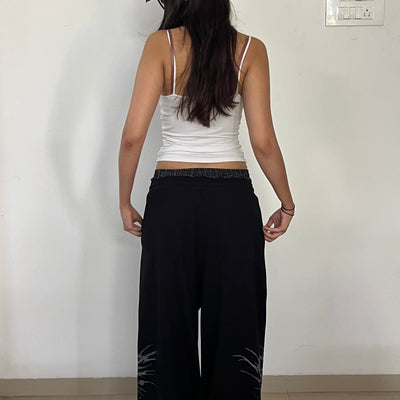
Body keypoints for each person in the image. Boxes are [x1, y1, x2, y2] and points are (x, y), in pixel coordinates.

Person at [118, 0, 295, 398]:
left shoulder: (160, 45)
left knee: (167, 329)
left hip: (171, 204)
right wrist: (287, 204)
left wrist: (125, 201)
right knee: (236, 328)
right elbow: (263, 142)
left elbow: (132, 137)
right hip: (232, 206)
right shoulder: (251, 50)